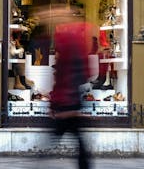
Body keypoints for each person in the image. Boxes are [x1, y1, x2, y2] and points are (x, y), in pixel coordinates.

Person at [50, 9, 92, 169]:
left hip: (67, 102)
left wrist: (55, 104)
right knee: (78, 140)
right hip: (69, 101)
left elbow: (65, 77)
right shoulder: (76, 41)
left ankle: (37, 162)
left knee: (54, 138)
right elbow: (81, 73)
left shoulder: (68, 42)